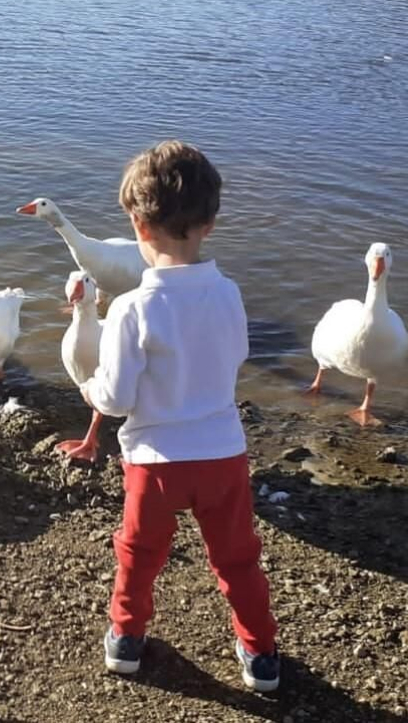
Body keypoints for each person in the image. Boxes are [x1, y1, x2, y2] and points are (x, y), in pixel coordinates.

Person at [81, 140, 281, 692]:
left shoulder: (131, 308)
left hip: (155, 463)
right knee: (237, 558)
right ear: (210, 224)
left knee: (139, 554)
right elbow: (236, 356)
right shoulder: (230, 295)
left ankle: (126, 640)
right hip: (222, 454)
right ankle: (260, 652)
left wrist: (90, 389)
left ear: (138, 226)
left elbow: (117, 397)